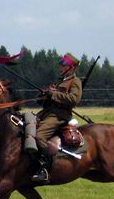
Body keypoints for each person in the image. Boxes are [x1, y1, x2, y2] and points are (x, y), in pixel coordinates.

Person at [31, 53, 83, 183]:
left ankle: (45, 168)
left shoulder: (75, 81)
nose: (60, 67)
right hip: (46, 112)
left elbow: (74, 99)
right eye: (61, 65)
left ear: (71, 67)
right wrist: (43, 95)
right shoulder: (60, 80)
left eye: (63, 65)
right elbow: (47, 97)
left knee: (39, 136)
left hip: (59, 115)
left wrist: (53, 94)